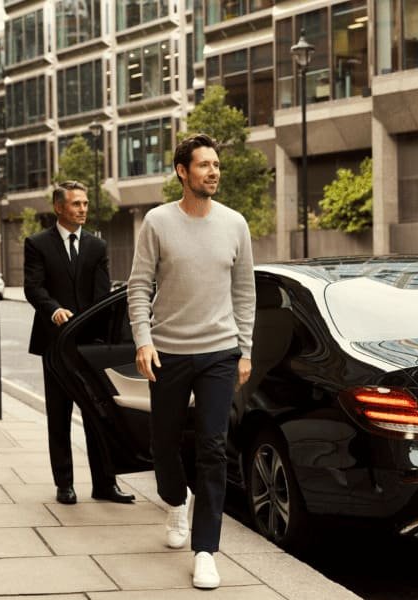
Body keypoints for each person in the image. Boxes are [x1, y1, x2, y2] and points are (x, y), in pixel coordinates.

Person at [127, 134, 255, 589]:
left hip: (220, 352)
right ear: (183, 171)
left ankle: (206, 549)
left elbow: (245, 291)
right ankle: (174, 502)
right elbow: (139, 286)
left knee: (213, 448)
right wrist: (143, 341)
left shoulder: (236, 224)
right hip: (169, 352)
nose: (214, 172)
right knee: (162, 443)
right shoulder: (157, 222)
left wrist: (245, 350)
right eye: (204, 165)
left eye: (217, 164)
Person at [24, 180, 135, 506]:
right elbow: (33, 287)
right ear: (59, 207)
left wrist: (105, 338)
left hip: (88, 347)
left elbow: (101, 296)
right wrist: (54, 309)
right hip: (54, 345)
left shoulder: (96, 247)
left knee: (98, 417)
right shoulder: (37, 244)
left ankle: (104, 484)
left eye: (85, 204)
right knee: (59, 417)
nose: (83, 209)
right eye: (76, 204)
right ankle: (65, 485)